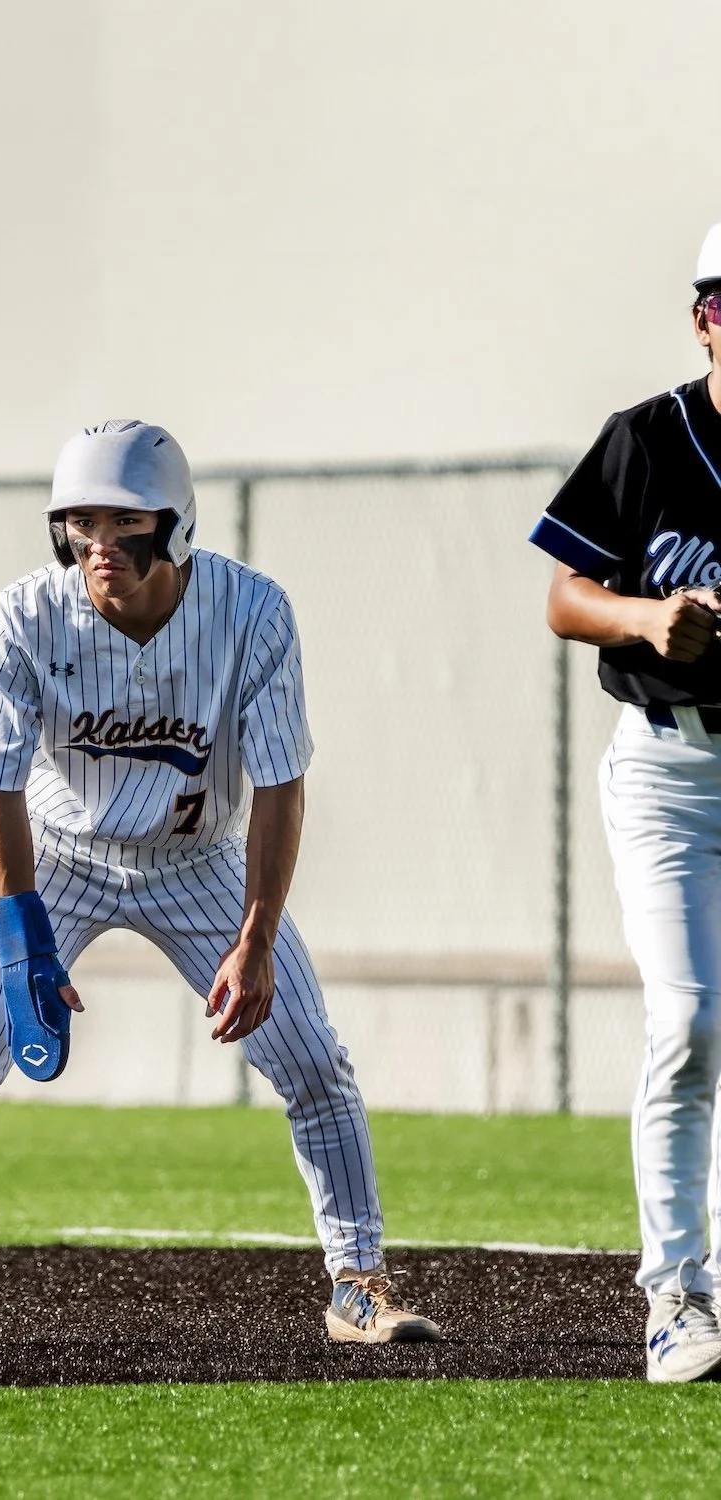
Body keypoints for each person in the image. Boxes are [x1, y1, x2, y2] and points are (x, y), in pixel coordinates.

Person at [0, 419, 440, 1349]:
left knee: (313, 1060)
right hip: (55, 860)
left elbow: (280, 785)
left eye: (124, 522)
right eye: (80, 522)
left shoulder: (251, 611)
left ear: (175, 525)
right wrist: (21, 939)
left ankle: (359, 1283)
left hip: (198, 863)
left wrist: (257, 937)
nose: (99, 544)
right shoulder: (22, 618)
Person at [530, 224, 721, 1383]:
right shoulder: (648, 438)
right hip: (669, 772)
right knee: (690, 1021)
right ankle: (676, 1296)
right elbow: (565, 596)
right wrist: (648, 619)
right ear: (706, 317)